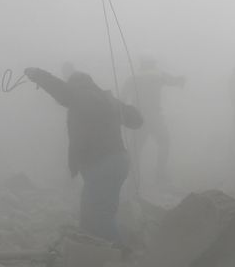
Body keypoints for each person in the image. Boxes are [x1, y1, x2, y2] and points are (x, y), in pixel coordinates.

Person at [23, 66, 143, 243]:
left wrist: (37, 74)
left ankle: (119, 252)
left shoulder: (79, 95)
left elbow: (58, 88)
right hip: (119, 162)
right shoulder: (107, 100)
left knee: (99, 215)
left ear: (75, 85)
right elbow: (137, 121)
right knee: (95, 211)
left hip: (101, 163)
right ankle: (93, 249)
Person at [122, 57, 186, 191]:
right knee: (164, 142)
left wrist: (124, 116)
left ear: (142, 64)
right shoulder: (158, 75)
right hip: (154, 118)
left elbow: (123, 97)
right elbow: (174, 81)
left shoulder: (133, 78)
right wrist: (181, 79)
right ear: (152, 64)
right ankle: (160, 175)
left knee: (135, 149)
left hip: (138, 118)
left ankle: (133, 180)